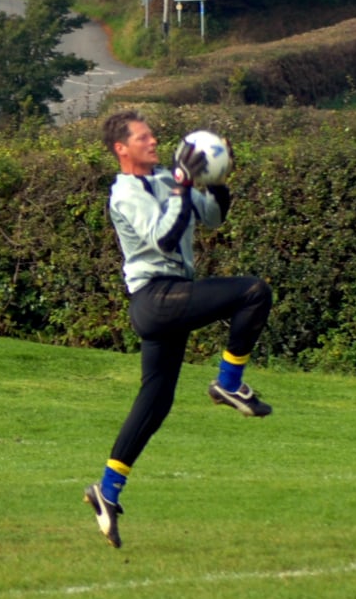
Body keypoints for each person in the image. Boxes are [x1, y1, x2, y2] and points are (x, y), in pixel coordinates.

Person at [86, 111, 274, 548]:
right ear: (121, 148)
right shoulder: (125, 193)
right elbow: (164, 240)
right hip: (155, 299)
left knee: (156, 402)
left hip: (169, 301)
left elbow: (212, 217)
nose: (154, 141)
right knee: (253, 292)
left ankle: (106, 492)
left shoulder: (161, 181)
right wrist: (182, 185)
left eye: (153, 135)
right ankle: (228, 384)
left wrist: (218, 174)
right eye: (143, 137)